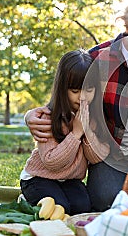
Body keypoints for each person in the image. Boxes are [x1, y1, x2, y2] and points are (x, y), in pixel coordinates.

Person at [24, 0, 128, 211]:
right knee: (106, 202)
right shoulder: (98, 60)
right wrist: (32, 116)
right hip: (110, 154)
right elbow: (66, 100)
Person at [20, 49, 110, 215]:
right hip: (39, 178)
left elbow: (96, 157)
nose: (82, 97)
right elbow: (52, 163)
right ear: (63, 88)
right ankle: (27, 199)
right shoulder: (48, 117)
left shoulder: (92, 117)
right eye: (75, 91)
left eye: (89, 90)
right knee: (60, 208)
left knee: (82, 208)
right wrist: (75, 133)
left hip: (68, 180)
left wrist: (86, 131)